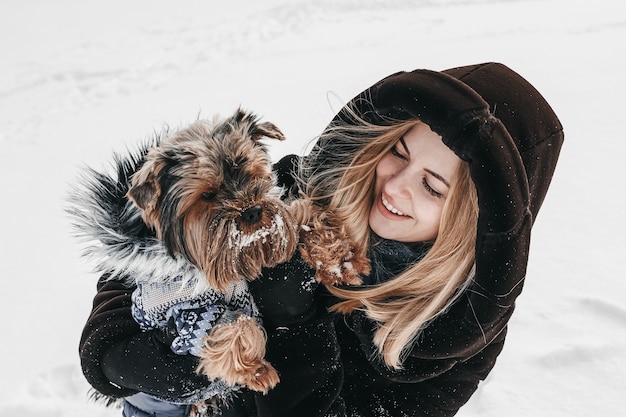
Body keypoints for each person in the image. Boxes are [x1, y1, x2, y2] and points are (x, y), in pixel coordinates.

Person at [77, 62, 563, 417]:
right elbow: (150, 258)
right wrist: (113, 351)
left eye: (433, 186)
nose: (394, 187)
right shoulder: (300, 189)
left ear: (471, 219)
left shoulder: (453, 336)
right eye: (397, 152)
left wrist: (295, 324)